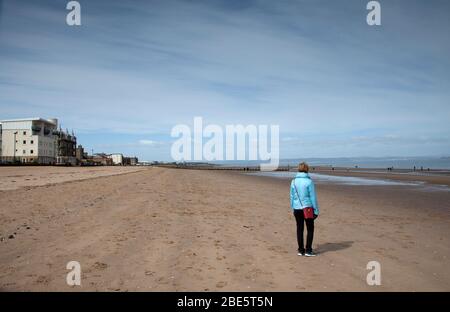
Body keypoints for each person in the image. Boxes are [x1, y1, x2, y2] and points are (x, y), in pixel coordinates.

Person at [290, 162, 319, 257]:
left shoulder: (293, 181)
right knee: (310, 229)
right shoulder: (309, 181)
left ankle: (300, 250)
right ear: (307, 169)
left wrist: (292, 207)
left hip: (297, 208)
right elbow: (313, 197)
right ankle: (308, 250)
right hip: (307, 208)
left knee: (299, 229)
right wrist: (316, 210)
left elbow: (291, 196)